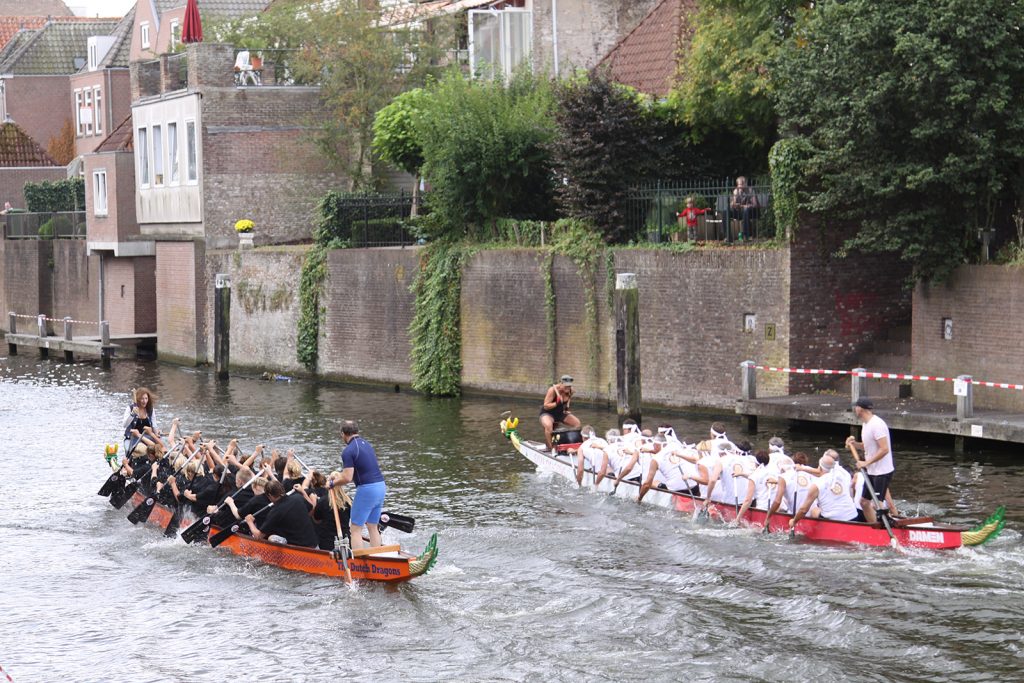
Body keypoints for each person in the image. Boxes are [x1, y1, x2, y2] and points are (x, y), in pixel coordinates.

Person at [337, 420, 386, 550]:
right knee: (372, 525)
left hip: (367, 489)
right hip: (381, 486)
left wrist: (332, 483)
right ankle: (377, 556)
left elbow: (347, 477)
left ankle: (359, 562)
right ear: (356, 431)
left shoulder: (348, 451)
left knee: (355, 529)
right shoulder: (368, 445)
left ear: (343, 434)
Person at [846, 398, 895, 525]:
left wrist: (866, 463)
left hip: (882, 472)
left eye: (855, 407)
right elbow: (866, 445)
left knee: (876, 504)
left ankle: (889, 523)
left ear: (860, 409)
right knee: (864, 502)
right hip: (872, 471)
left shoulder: (876, 425)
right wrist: (854, 444)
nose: (854, 409)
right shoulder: (865, 424)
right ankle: (875, 527)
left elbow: (884, 449)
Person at [788, 450, 863, 530]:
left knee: (814, 510)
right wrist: (803, 468)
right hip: (853, 516)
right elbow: (820, 472)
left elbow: (803, 510)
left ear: (820, 467)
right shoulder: (843, 474)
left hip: (834, 521)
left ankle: (817, 529)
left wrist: (794, 521)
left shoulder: (817, 485)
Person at [244, 480, 318, 548]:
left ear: (269, 495)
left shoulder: (275, 511)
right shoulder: (298, 497)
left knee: (271, 537)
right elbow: (311, 508)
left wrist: (250, 522)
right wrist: (303, 492)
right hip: (314, 544)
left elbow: (259, 536)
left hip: (298, 549)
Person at [540, 375, 581, 451]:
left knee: (577, 423)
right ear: (560, 383)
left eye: (569, 386)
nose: (568, 388)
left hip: (560, 413)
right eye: (566, 386)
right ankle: (551, 448)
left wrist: (566, 409)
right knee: (549, 426)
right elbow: (546, 406)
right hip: (548, 413)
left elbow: (568, 401)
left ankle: (573, 444)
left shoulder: (570, 391)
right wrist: (556, 403)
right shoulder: (552, 390)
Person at [122, 388, 158, 453]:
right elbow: (125, 425)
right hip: (132, 438)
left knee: (158, 447)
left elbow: (154, 425)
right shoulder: (130, 408)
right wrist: (132, 414)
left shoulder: (150, 409)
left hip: (147, 438)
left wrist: (156, 434)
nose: (144, 401)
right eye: (142, 399)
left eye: (146, 398)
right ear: (138, 399)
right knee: (128, 450)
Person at [729, 176, 759, 242]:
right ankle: (728, 236)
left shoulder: (750, 190)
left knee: (746, 210)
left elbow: (755, 204)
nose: (740, 186)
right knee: (726, 211)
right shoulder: (736, 191)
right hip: (739, 212)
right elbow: (732, 204)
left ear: (745, 184)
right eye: (739, 184)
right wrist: (734, 201)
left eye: (742, 184)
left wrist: (747, 206)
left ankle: (747, 236)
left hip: (750, 212)